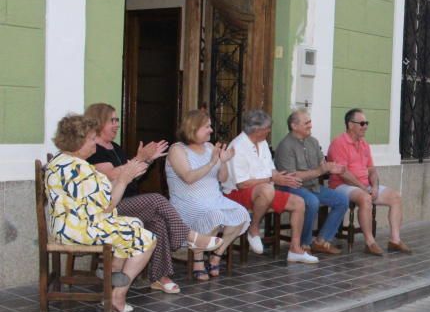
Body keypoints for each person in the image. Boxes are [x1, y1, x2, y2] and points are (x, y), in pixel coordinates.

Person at [84, 103, 221, 294]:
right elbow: (113, 175)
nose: (116, 124)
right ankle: (189, 236)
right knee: (156, 199)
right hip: (110, 205)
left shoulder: (114, 147)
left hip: (127, 199)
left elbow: (132, 176)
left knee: (157, 221)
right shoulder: (92, 150)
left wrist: (146, 161)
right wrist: (139, 158)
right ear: (98, 122)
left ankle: (159, 277)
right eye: (111, 120)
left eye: (117, 120)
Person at [45, 114, 155, 312]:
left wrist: (124, 176)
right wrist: (124, 180)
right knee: (147, 239)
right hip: (79, 230)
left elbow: (98, 199)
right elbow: (108, 205)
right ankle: (117, 296)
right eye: (92, 138)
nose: (96, 142)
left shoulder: (62, 160)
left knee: (136, 223)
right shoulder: (80, 169)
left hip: (68, 224)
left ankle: (112, 270)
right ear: (78, 141)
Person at [222, 110, 318, 264]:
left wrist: (282, 178)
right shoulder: (238, 146)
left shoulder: (262, 142)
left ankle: (295, 249)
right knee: (267, 189)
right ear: (257, 130)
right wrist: (273, 179)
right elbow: (242, 184)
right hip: (236, 194)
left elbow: (270, 169)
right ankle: (254, 228)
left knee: (298, 202)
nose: (269, 131)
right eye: (267, 128)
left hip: (264, 191)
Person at [166, 110, 251, 280]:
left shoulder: (210, 148)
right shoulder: (177, 150)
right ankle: (198, 259)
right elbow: (188, 177)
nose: (211, 130)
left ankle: (216, 255)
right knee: (215, 215)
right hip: (187, 202)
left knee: (241, 214)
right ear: (193, 128)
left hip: (213, 199)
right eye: (207, 127)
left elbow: (222, 178)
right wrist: (212, 162)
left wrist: (224, 162)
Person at [327, 109, 411, 256]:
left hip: (364, 185)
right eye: (362, 123)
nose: (365, 126)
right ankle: (370, 243)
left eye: (366, 123)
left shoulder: (364, 144)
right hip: (341, 185)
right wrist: (363, 188)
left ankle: (395, 240)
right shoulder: (339, 143)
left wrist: (375, 186)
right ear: (350, 125)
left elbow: (371, 169)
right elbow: (343, 173)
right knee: (365, 198)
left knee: (396, 197)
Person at [274, 109, 350, 255]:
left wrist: (332, 168)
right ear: (294, 126)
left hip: (312, 186)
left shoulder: (313, 142)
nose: (310, 125)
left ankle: (321, 241)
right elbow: (291, 178)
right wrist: (320, 171)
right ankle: (304, 242)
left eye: (310, 122)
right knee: (312, 201)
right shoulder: (285, 145)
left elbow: (322, 163)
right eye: (306, 123)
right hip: (290, 187)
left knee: (342, 200)